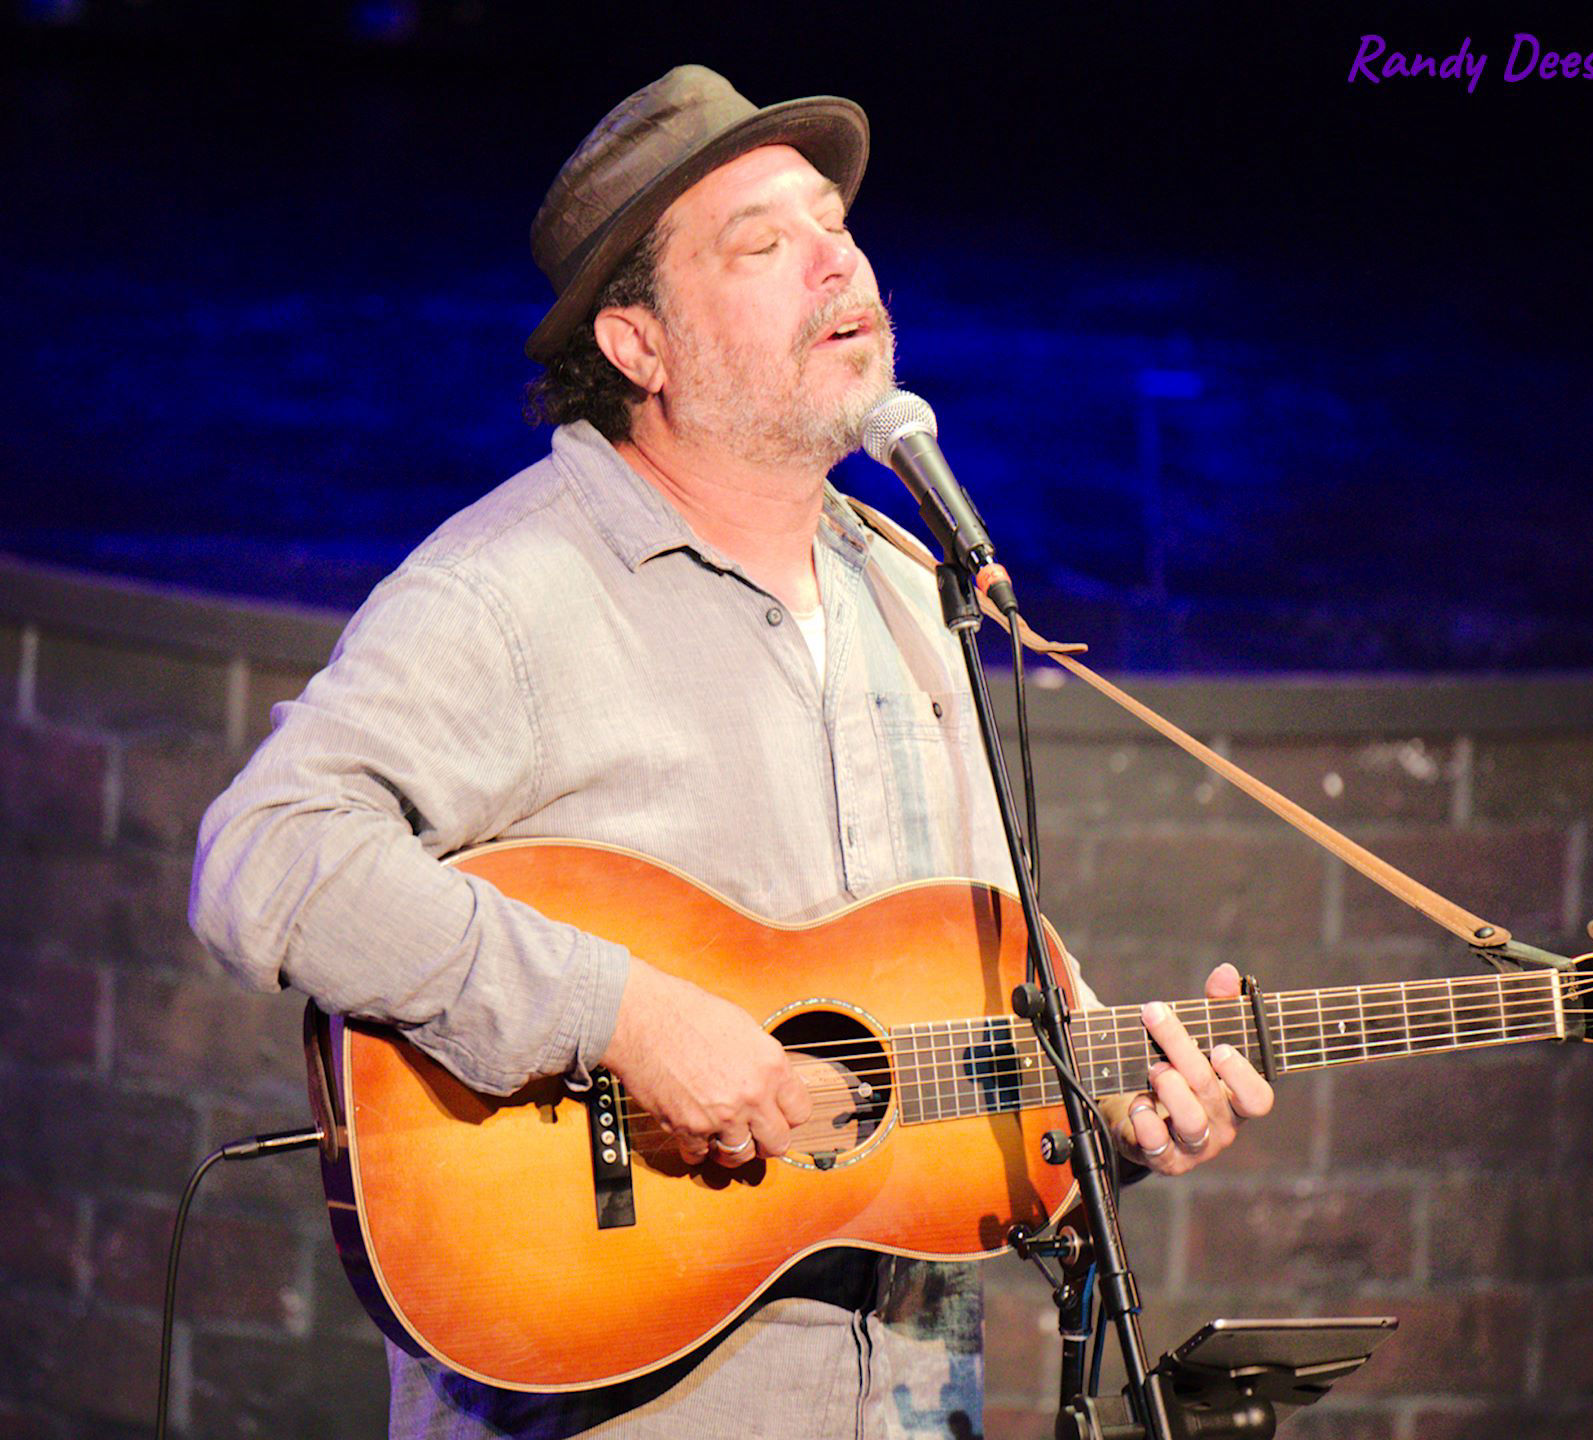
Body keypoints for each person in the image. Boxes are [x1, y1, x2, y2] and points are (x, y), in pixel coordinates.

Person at [190, 65, 1273, 1440]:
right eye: (764, 244)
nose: (838, 258)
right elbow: (264, 857)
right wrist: (625, 1018)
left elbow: (935, 1072)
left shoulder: (909, 588)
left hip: (915, 1406)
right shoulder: (510, 590)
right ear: (638, 343)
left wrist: (1114, 1131)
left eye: (835, 223)